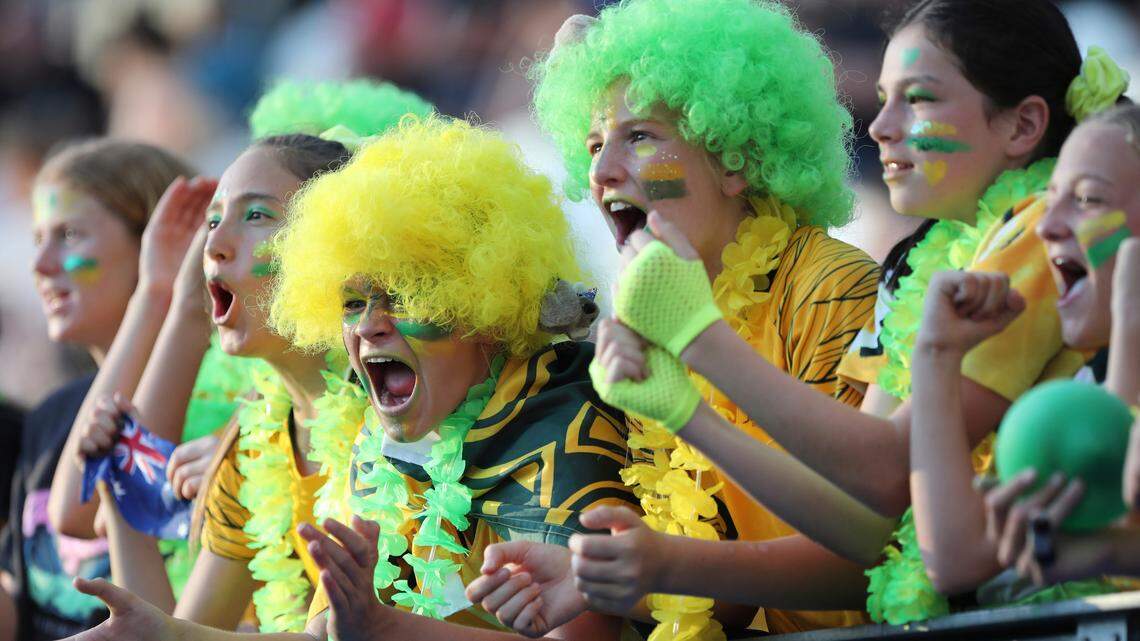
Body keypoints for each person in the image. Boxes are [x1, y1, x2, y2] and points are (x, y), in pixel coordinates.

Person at [471, 0, 1132, 631]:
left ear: (736, 160)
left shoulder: (844, 282)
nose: (879, 125)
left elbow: (875, 517)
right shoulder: (920, 263)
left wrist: (697, 342)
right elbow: (858, 530)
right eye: (591, 147)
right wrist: (607, 574)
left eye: (640, 136)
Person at [68, 115, 640, 641]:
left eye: (402, 295)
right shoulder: (383, 441)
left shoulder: (560, 421)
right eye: (351, 300)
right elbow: (324, 636)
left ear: (483, 301)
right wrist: (169, 636)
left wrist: (382, 628)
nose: (369, 325)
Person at [68, 80, 435, 634]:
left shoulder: (406, 407)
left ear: (331, 241)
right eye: (213, 221)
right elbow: (178, 629)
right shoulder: (255, 441)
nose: (214, 244)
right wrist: (118, 501)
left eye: (257, 216)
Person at [0, 139, 204, 641]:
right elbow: (15, 605)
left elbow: (77, 512)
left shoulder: (212, 407)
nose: (41, 264)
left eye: (69, 235)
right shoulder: (52, 415)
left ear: (163, 241)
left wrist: (158, 292)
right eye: (37, 238)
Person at [977, 104, 1140, 595]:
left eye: (1088, 199)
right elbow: (952, 558)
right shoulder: (1087, 387)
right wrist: (937, 357)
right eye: (1051, 198)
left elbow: (1132, 487)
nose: (1046, 226)